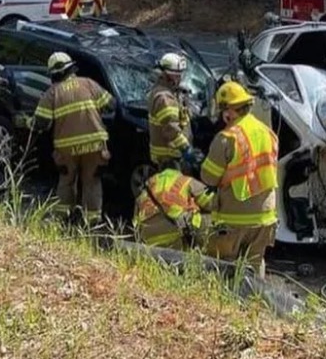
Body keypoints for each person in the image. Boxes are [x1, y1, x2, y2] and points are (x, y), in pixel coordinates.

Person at [201, 81, 279, 275]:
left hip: (235, 219)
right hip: (266, 217)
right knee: (254, 266)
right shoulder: (267, 132)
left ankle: (225, 304)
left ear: (228, 111)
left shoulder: (227, 137)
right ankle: (254, 303)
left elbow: (208, 177)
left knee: (222, 268)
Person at [31, 52, 114, 224]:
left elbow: (40, 123)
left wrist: (25, 121)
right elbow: (111, 105)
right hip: (95, 146)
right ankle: (93, 221)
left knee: (67, 181)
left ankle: (64, 217)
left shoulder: (52, 93)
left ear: (53, 74)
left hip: (66, 150)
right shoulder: (89, 84)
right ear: (71, 68)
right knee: (92, 182)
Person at [133, 168, 214, 250]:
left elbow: (135, 224)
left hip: (150, 241)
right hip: (176, 233)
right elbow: (211, 203)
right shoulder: (184, 180)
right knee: (214, 220)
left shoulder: (145, 191)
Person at [148, 52, 199, 171]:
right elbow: (170, 129)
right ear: (165, 75)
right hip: (169, 157)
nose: (180, 78)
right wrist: (186, 149)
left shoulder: (170, 91)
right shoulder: (164, 97)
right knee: (174, 188)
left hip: (174, 154)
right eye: (176, 75)